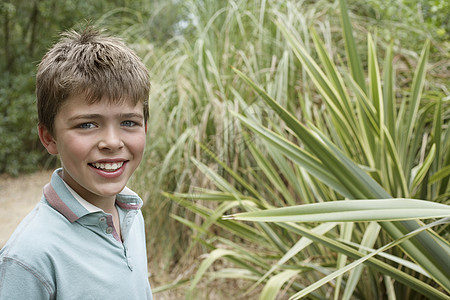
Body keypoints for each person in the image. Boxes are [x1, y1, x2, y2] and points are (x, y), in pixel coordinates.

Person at [0, 27, 153, 299]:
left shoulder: (132, 214)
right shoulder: (30, 258)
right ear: (49, 138)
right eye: (87, 124)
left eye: (128, 122)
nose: (112, 142)